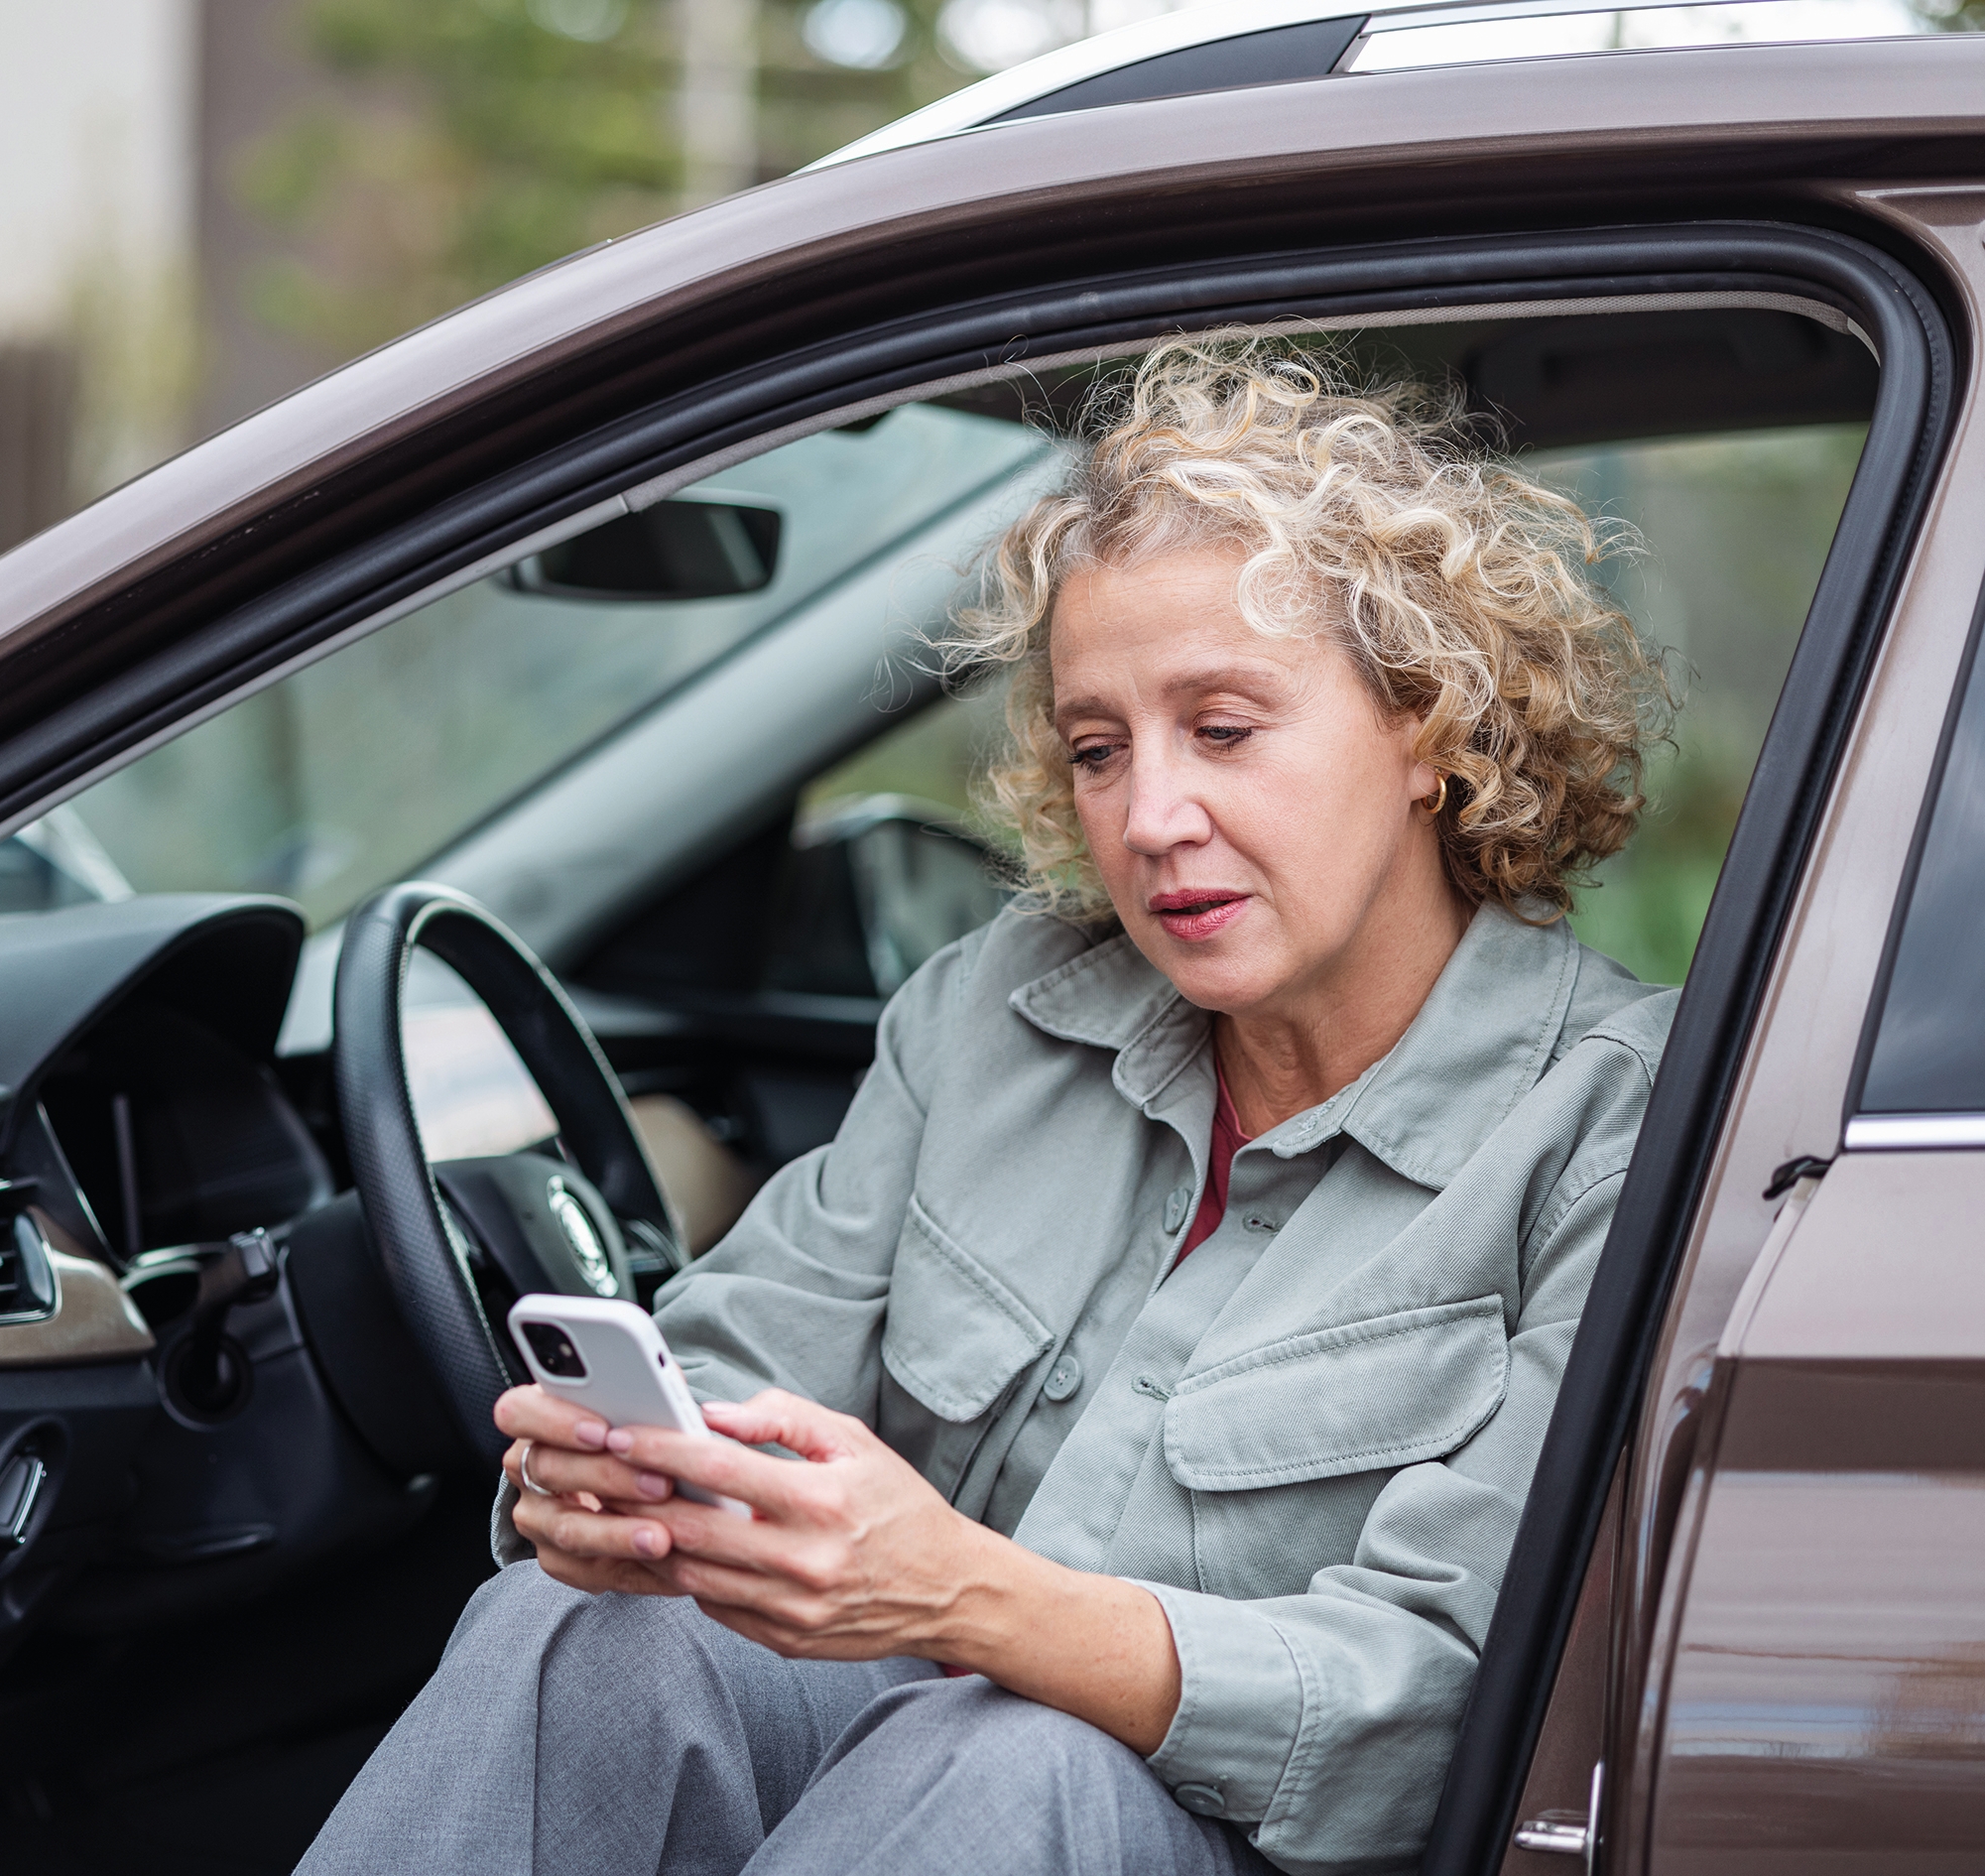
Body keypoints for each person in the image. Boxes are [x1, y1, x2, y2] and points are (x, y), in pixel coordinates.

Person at [301, 339, 1676, 1876]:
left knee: (1013, 1761)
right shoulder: (996, 1013)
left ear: (1429, 726)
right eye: (1100, 749)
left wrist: (959, 1598)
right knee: (592, 1634)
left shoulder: (1617, 1129)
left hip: (1247, 1843)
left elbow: (1437, 1710)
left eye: (1223, 729)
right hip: (907, 1774)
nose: (1152, 818)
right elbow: (739, 1361)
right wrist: (624, 1490)